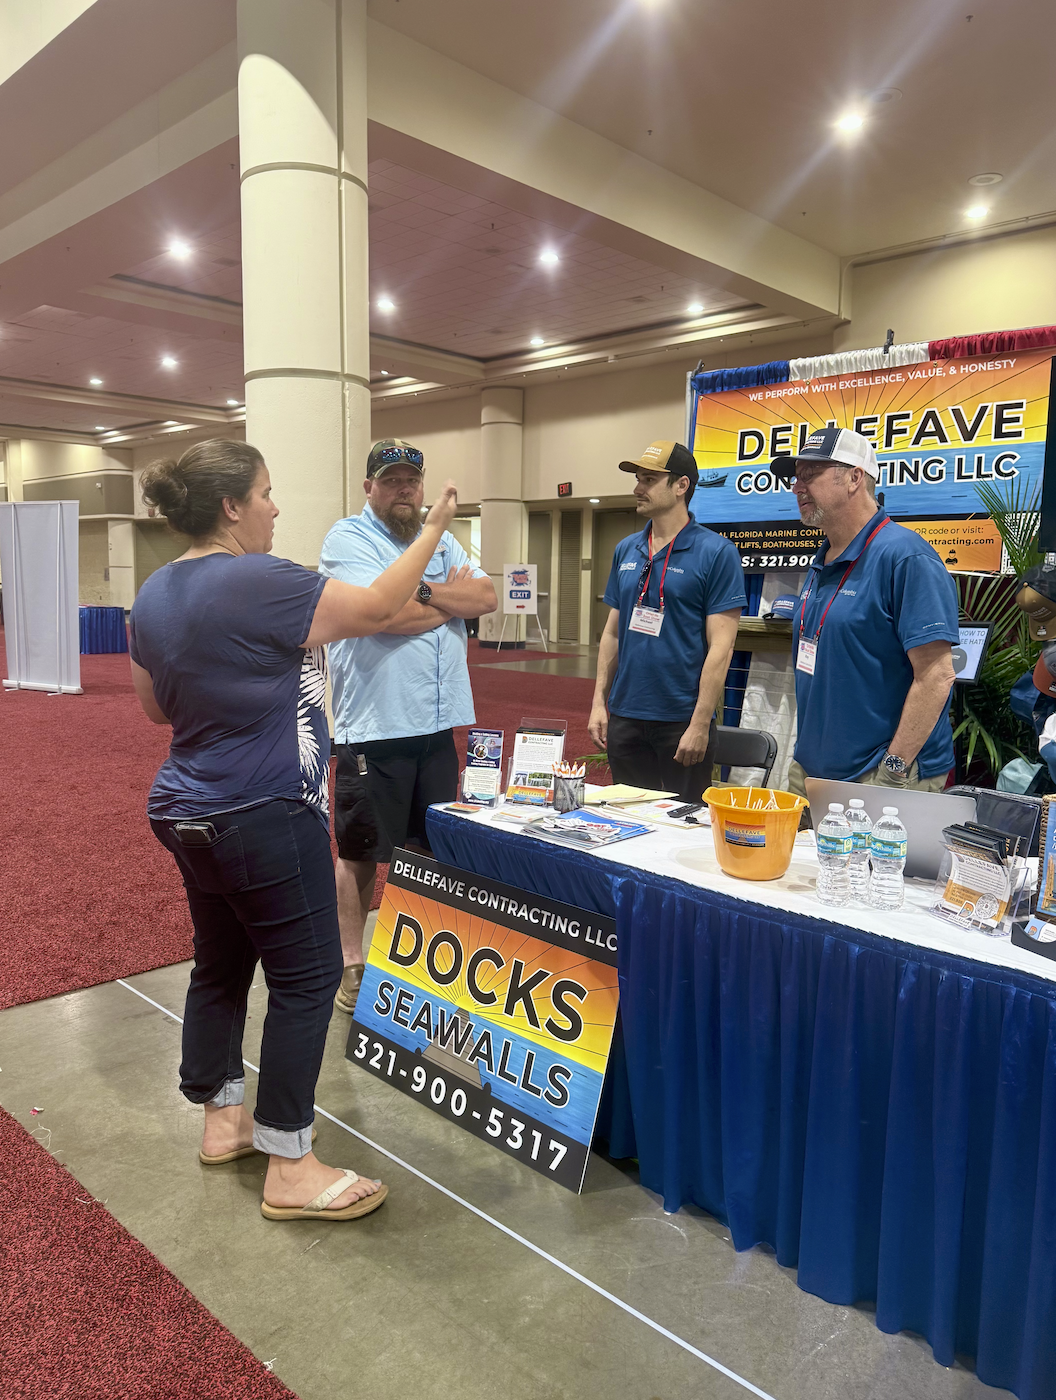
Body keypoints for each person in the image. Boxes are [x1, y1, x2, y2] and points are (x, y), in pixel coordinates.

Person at [128, 439, 459, 1222]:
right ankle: (290, 1161)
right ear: (231, 506)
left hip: (184, 808)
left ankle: (222, 1122)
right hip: (263, 811)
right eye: (267, 494)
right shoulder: (258, 578)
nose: (278, 508)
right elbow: (378, 610)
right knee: (308, 979)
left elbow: (154, 707)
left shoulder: (154, 591)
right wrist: (435, 525)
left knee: (220, 963)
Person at [320, 439, 497, 1013]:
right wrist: (446, 602)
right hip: (375, 726)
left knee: (431, 849)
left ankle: (413, 961)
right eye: (391, 480)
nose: (403, 490)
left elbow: (486, 596)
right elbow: (383, 615)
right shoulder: (348, 538)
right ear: (369, 487)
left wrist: (421, 591)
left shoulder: (441, 541)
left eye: (411, 482)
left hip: (439, 724)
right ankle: (352, 963)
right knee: (360, 852)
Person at [770, 426, 959, 796]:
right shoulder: (821, 560)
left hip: (882, 776)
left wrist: (893, 769)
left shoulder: (906, 557)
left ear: (855, 477)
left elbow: (937, 675)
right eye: (796, 478)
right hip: (812, 770)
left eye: (810, 475)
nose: (797, 487)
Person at [588, 439, 746, 800]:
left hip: (681, 720)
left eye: (647, 479)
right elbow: (612, 633)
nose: (637, 488)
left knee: (684, 827)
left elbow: (722, 647)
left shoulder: (716, 552)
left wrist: (700, 723)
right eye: (638, 479)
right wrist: (599, 702)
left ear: (680, 486)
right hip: (626, 715)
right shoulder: (626, 549)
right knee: (626, 823)